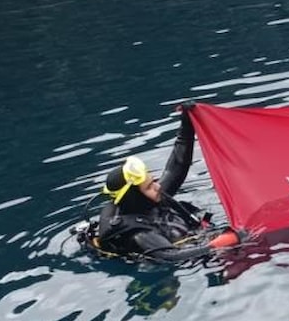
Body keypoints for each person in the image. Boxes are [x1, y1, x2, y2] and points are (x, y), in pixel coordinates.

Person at [89, 105, 240, 262]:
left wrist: (187, 123)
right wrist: (221, 244)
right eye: (149, 186)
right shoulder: (139, 234)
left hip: (197, 237)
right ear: (134, 196)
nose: (158, 186)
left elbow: (176, 167)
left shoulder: (148, 198)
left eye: (153, 181)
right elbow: (171, 256)